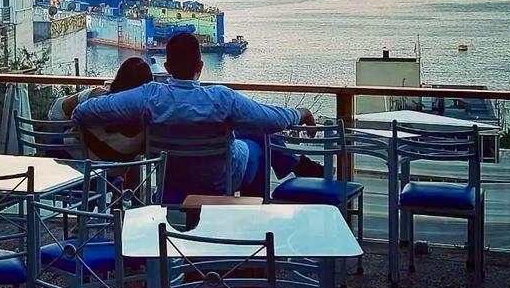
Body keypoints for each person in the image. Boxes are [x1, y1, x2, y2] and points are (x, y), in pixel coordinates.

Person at [73, 32, 323, 199]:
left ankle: (295, 165)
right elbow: (271, 119)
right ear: (200, 66)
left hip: (171, 182)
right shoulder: (221, 98)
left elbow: (83, 112)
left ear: (167, 68)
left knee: (252, 130)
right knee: (259, 138)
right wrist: (300, 113)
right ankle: (249, 234)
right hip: (220, 182)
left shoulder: (149, 96)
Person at [50, 57, 153, 160]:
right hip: (113, 165)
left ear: (119, 78)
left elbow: (59, 111)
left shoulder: (98, 99)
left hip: (70, 154)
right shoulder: (150, 113)